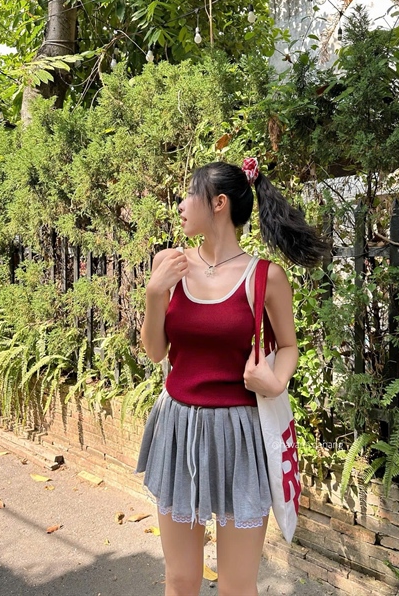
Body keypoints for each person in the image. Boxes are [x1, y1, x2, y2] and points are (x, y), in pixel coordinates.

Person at [136, 158, 327, 596]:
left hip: (241, 436)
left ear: (218, 203)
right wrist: (153, 293)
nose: (181, 204)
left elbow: (289, 346)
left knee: (237, 586)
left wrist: (275, 382)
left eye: (190, 194)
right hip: (179, 428)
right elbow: (155, 352)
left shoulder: (265, 277)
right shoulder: (170, 265)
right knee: (180, 579)